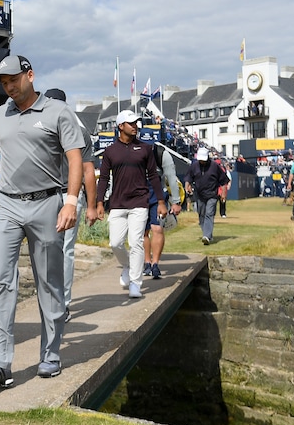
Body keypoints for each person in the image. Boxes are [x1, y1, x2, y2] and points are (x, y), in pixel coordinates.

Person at [0, 54, 84, 389]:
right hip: (8, 206)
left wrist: (70, 203)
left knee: (49, 282)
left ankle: (51, 354)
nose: (9, 87)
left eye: (14, 79)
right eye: (4, 82)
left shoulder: (58, 112)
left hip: (47, 204)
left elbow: (75, 160)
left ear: (30, 75)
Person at [95, 110, 167, 299]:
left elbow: (153, 176)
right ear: (120, 126)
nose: (135, 126)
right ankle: (127, 266)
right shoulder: (110, 152)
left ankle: (136, 283)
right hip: (117, 204)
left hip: (139, 202)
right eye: (131, 123)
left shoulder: (145, 149)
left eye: (136, 123)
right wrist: (99, 202)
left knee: (136, 243)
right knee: (116, 243)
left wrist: (160, 201)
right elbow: (103, 179)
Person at [44, 88, 98, 322]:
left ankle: (62, 303)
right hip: (43, 196)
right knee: (46, 250)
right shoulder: (42, 129)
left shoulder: (79, 133)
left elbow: (88, 171)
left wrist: (92, 206)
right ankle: (51, 300)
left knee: (65, 250)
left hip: (69, 196)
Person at [144, 142, 184, 279]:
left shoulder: (161, 154)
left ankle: (155, 263)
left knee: (157, 228)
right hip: (138, 195)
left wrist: (176, 201)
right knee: (142, 232)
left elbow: (171, 177)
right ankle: (146, 262)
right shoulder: (132, 150)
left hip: (158, 195)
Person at [184, 147, 228, 245]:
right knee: (201, 214)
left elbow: (224, 181)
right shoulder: (194, 166)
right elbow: (188, 177)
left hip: (212, 194)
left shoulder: (215, 166)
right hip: (199, 194)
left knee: (209, 213)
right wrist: (187, 185)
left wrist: (223, 193)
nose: (202, 162)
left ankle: (206, 236)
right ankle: (208, 234)